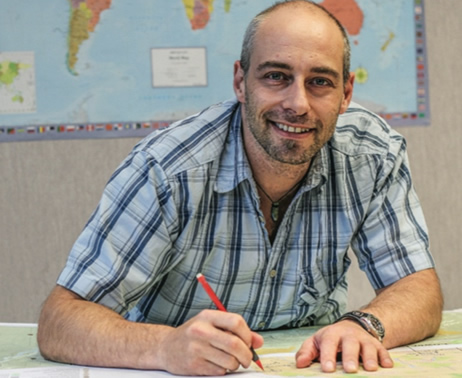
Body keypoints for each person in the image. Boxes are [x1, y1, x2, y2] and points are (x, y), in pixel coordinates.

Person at [37, 0, 443, 375]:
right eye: (276, 76)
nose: (297, 103)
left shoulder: (372, 155)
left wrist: (366, 324)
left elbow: (418, 287)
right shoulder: (169, 169)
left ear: (345, 94)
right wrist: (163, 347)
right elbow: (61, 320)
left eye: (319, 81)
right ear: (239, 81)